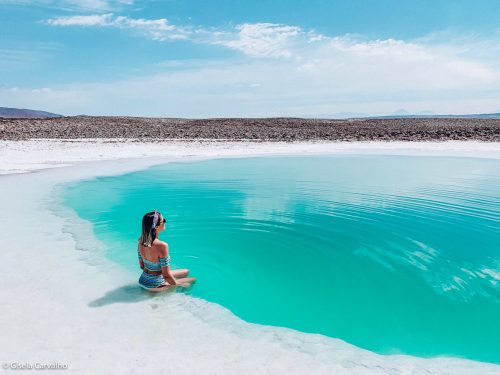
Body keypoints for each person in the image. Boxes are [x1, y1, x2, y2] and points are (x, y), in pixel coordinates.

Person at [137, 210, 196, 292]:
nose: (165, 222)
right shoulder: (162, 246)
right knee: (192, 280)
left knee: (186, 272)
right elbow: (166, 275)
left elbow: (142, 266)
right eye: (163, 221)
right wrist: (178, 285)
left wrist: (154, 272)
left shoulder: (141, 241)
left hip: (142, 280)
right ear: (156, 227)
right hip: (155, 285)